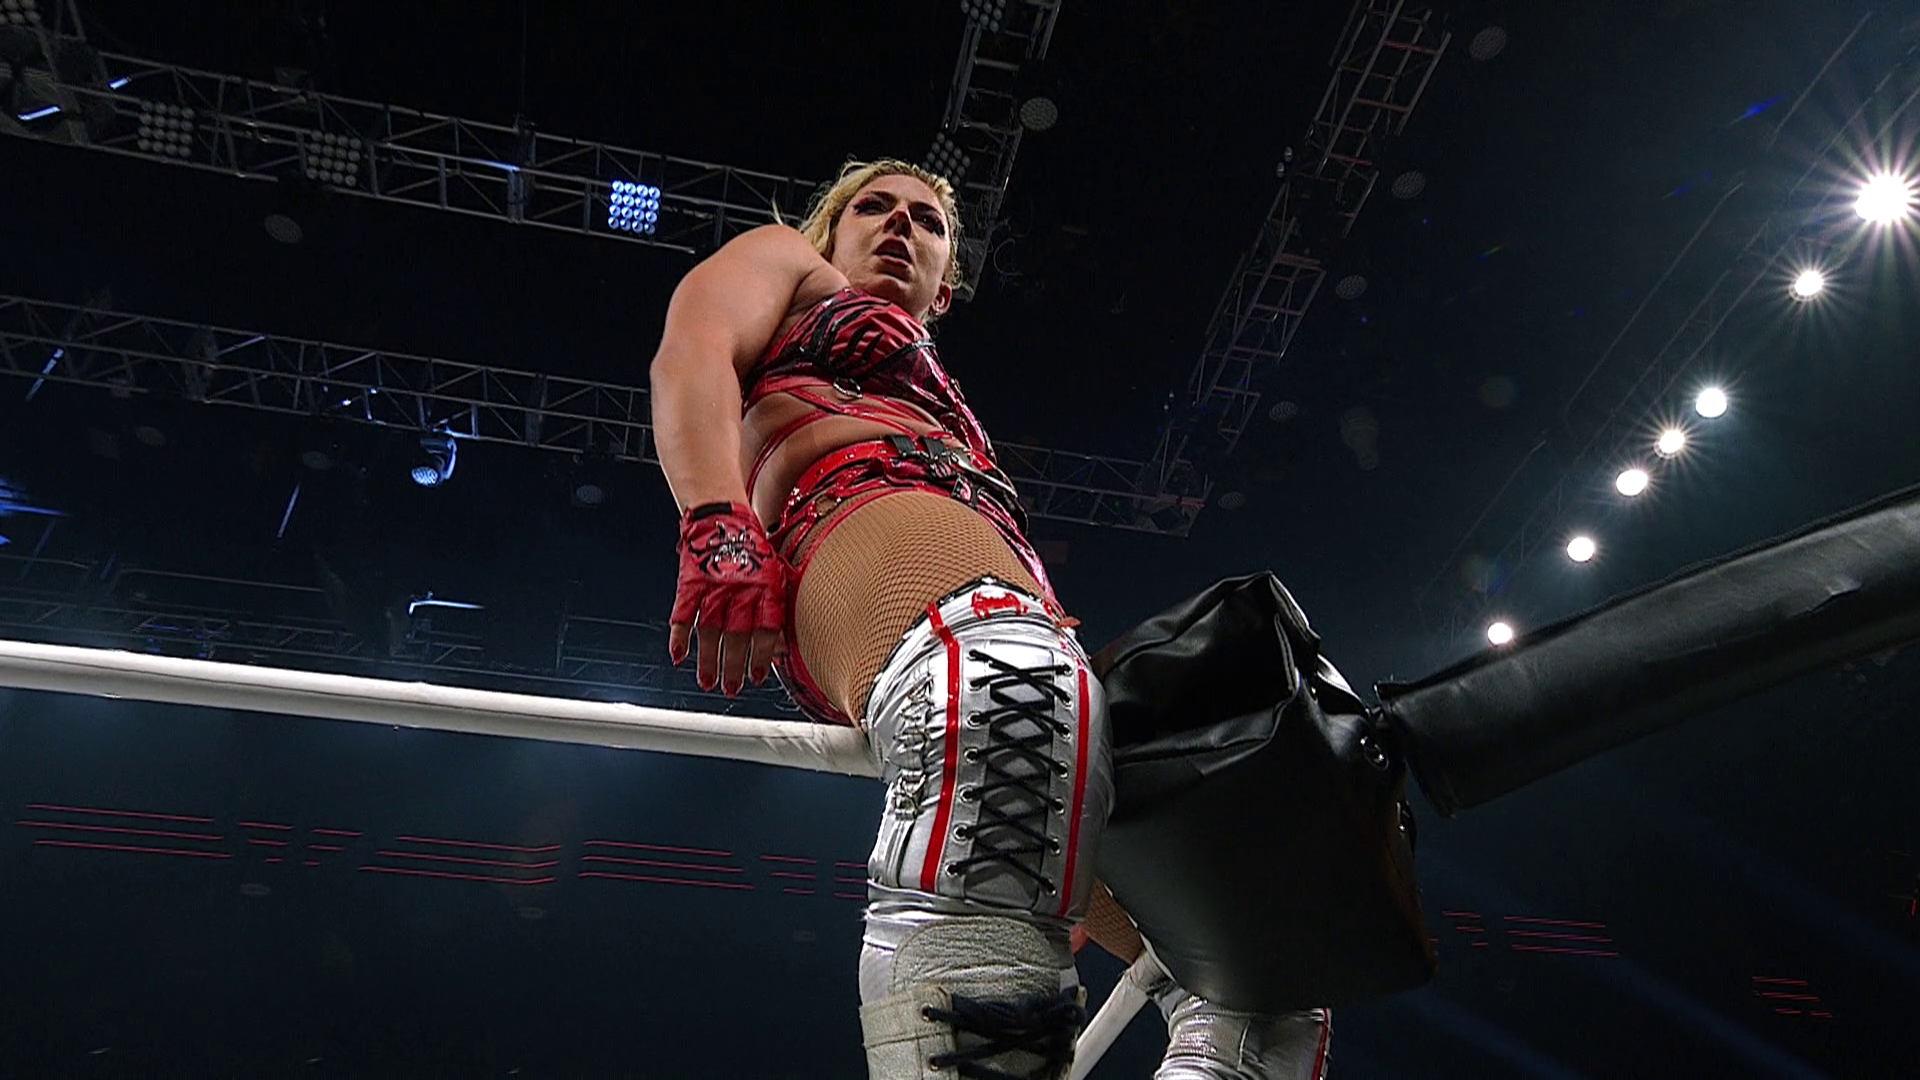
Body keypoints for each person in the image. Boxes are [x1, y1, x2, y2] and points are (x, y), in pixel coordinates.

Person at [650, 158, 1327, 1079]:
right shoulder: (787, 265)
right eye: (873, 207)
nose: (900, 224)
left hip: (992, 590)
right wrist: (717, 519)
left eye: (927, 220)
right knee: (1009, 700)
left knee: (1254, 971)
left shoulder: (943, 392)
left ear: (947, 285)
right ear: (827, 238)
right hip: (864, 535)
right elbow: (694, 347)